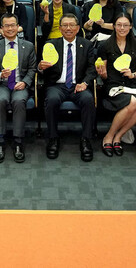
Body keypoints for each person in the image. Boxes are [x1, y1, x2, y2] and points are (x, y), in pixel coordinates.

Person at [39, 13, 96, 162]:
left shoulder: (87, 44)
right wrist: (40, 67)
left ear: (78, 28)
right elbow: (40, 66)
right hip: (57, 85)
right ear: (60, 28)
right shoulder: (51, 44)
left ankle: (86, 140)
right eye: (65, 25)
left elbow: (91, 69)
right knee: (51, 100)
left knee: (88, 99)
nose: (68, 28)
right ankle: (53, 138)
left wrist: (85, 83)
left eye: (72, 25)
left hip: (78, 85)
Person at [0, 13, 36, 163]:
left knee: (19, 101)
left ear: (18, 27)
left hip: (20, 84)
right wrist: (0, 74)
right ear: (1, 28)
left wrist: (25, 82)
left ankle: (18, 141)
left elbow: (33, 69)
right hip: (2, 84)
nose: (10, 28)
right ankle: (0, 141)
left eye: (13, 25)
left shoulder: (28, 46)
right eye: (6, 25)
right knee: (0, 100)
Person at [94, 13, 136, 157]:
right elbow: (104, 75)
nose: (122, 28)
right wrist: (102, 73)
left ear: (131, 27)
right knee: (132, 102)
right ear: (114, 26)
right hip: (113, 84)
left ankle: (119, 135)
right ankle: (109, 136)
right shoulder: (105, 45)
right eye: (119, 25)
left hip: (132, 83)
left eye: (125, 25)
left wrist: (133, 74)